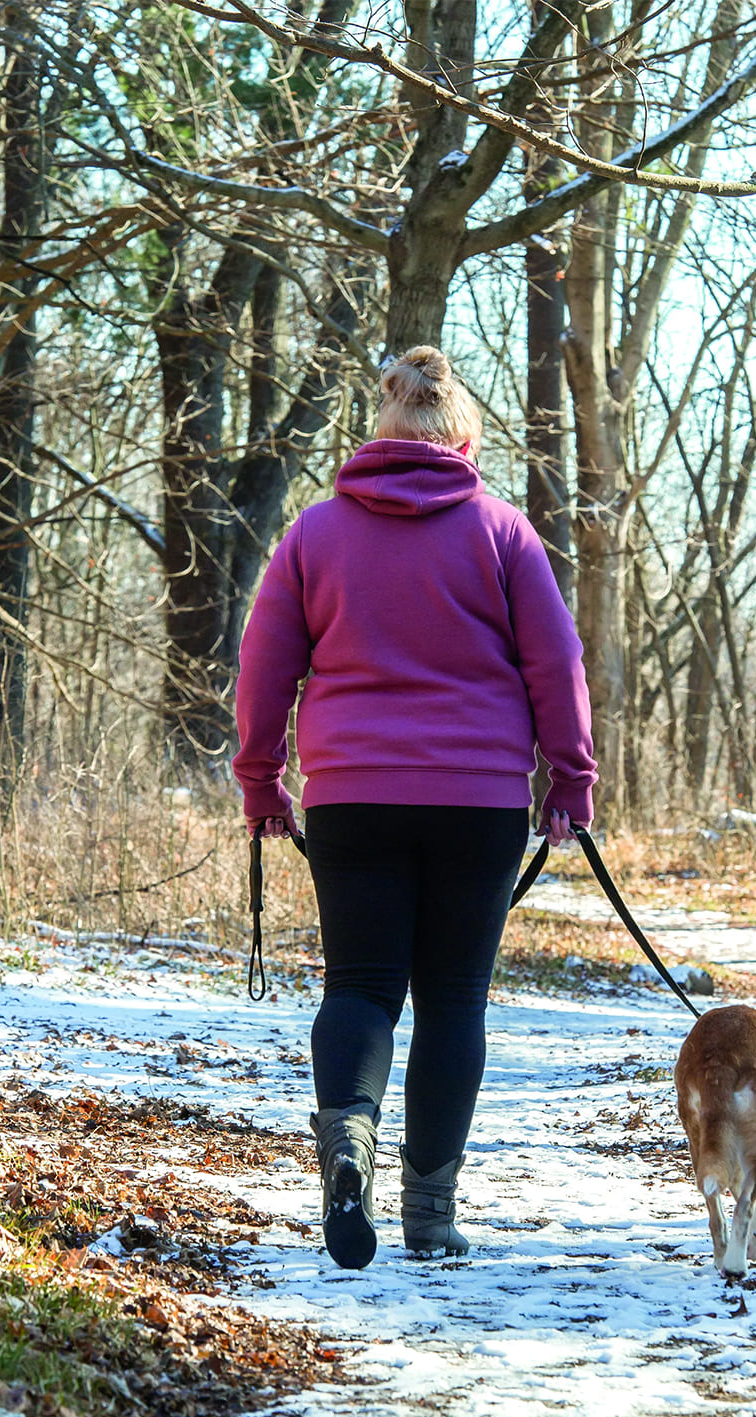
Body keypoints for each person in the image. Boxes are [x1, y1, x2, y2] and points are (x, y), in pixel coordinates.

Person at [232, 345, 596, 1270]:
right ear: (463, 438)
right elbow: (555, 664)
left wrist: (262, 778)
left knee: (360, 987)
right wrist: (571, 777)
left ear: (379, 431)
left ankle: (346, 1143)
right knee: (451, 1003)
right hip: (477, 803)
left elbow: (265, 666)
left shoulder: (315, 534)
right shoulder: (503, 531)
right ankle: (430, 1216)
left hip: (355, 795)